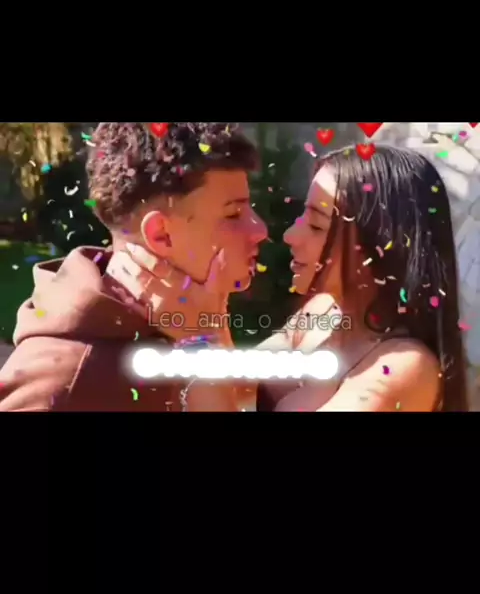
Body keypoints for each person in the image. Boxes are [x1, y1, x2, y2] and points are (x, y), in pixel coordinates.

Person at [127, 145, 467, 412]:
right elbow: (237, 386)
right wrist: (212, 305)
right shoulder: (320, 315)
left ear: (378, 245)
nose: (290, 235)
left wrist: (199, 340)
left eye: (316, 225)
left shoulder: (402, 369)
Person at [0, 123, 267, 412]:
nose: (260, 230)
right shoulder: (65, 379)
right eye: (233, 213)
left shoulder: (194, 319)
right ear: (160, 234)